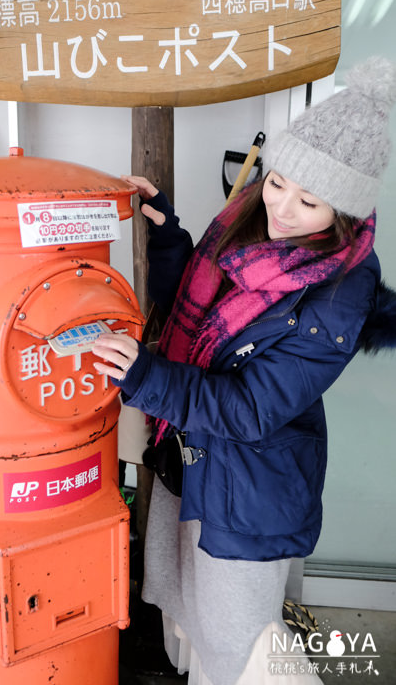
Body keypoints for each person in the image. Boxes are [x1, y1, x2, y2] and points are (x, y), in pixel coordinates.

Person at [92, 57, 396, 685]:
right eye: (279, 180)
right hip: (195, 458)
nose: (282, 207)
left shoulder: (338, 294)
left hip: (252, 488)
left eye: (309, 201)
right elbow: (198, 315)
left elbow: (252, 408)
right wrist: (170, 238)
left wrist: (147, 378)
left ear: (345, 215)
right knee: (192, 617)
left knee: (246, 647)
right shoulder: (248, 218)